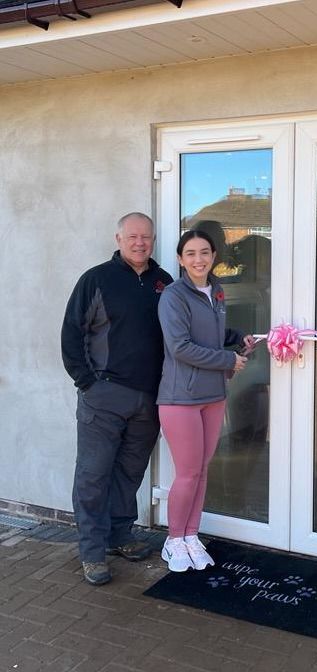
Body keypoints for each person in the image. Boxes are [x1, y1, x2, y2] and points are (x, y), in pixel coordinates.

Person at [61, 212, 173, 586]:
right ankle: (92, 552)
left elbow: (184, 330)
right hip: (104, 398)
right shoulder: (96, 279)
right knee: (93, 475)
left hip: (149, 398)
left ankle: (120, 536)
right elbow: (71, 335)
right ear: (119, 238)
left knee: (129, 472)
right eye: (133, 236)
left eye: (146, 237)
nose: (140, 243)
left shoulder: (163, 283)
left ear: (153, 241)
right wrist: (87, 383)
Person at [157, 230, 254, 572]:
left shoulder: (217, 291)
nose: (199, 259)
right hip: (180, 398)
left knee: (201, 471)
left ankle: (191, 536)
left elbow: (209, 333)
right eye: (191, 253)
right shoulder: (173, 296)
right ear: (181, 259)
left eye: (205, 253)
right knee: (187, 473)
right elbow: (180, 347)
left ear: (214, 256)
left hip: (213, 395)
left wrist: (235, 338)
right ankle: (173, 540)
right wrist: (228, 360)